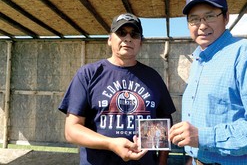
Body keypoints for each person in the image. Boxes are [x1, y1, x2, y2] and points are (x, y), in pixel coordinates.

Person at [169, 0, 247, 165]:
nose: (202, 25)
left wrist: (203, 136)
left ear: (226, 17)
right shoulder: (200, 61)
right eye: (194, 19)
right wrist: (193, 157)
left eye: (209, 16)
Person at [59, 12, 176, 165]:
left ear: (140, 42)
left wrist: (162, 162)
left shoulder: (152, 77)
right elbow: (72, 130)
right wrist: (111, 143)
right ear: (109, 39)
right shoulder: (89, 74)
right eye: (121, 33)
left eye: (134, 34)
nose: (128, 38)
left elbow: (164, 122)